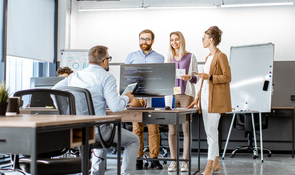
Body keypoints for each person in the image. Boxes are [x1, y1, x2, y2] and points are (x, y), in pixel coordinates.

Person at [53, 45, 140, 175]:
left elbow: (54, 90)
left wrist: (65, 111)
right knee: (133, 140)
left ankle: (96, 172)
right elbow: (115, 107)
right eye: (109, 58)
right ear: (104, 61)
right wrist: (126, 98)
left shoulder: (75, 76)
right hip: (97, 132)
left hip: (77, 132)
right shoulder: (106, 77)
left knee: (102, 130)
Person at [187, 26, 231, 175]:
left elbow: (227, 77)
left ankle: (209, 166)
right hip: (205, 100)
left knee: (211, 133)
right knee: (211, 133)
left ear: (210, 40)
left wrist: (210, 77)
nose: (202, 40)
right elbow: (204, 81)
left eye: (204, 38)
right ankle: (216, 163)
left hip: (215, 101)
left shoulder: (221, 56)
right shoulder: (207, 58)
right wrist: (197, 98)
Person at [125, 29, 165, 170]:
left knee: (154, 129)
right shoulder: (131, 56)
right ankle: (138, 158)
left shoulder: (160, 58)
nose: (144, 42)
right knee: (137, 128)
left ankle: (154, 158)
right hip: (135, 97)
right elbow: (126, 77)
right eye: (142, 39)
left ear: (153, 41)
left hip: (152, 96)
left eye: (147, 39)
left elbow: (161, 78)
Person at [166, 31, 199, 172]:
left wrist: (189, 78)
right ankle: (173, 161)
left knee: (186, 130)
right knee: (172, 130)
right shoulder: (169, 58)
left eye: (177, 40)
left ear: (181, 40)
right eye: (172, 40)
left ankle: (184, 161)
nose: (174, 42)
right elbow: (164, 78)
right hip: (172, 96)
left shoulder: (190, 57)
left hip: (186, 95)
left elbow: (196, 78)